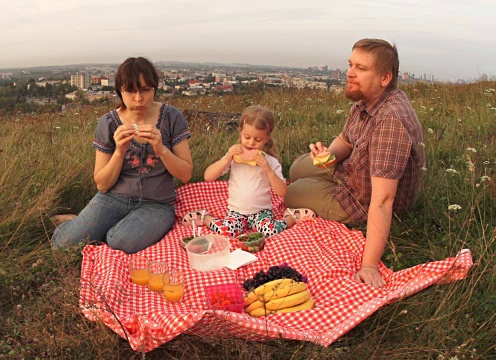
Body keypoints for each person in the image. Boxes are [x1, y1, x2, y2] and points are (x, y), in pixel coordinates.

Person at [284, 39, 425, 288]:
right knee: (298, 168)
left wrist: (369, 265)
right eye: (350, 65)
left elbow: (383, 200)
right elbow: (345, 141)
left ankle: (316, 189)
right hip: (355, 170)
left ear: (384, 78)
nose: (350, 73)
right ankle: (316, 180)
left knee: (293, 191)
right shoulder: (366, 101)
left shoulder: (390, 121)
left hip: (363, 198)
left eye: (361, 68)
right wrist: (327, 157)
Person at [51, 56, 193, 254]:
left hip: (157, 204)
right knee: (63, 245)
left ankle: (99, 228)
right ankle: (73, 222)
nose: (138, 98)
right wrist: (119, 151)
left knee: (120, 241)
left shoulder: (171, 117)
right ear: (120, 91)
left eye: (145, 90)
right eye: (130, 91)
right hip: (113, 198)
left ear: (155, 88)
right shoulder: (109, 123)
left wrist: (161, 149)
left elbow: (185, 174)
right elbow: (102, 184)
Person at [182, 105, 316, 238]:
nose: (251, 143)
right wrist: (227, 158)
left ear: (267, 139)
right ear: (240, 132)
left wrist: (268, 170)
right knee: (226, 231)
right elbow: (208, 176)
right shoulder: (233, 158)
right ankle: (205, 217)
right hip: (236, 212)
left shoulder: (270, 162)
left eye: (257, 140)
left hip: (261, 212)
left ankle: (292, 217)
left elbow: (282, 191)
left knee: (270, 232)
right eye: (246, 137)